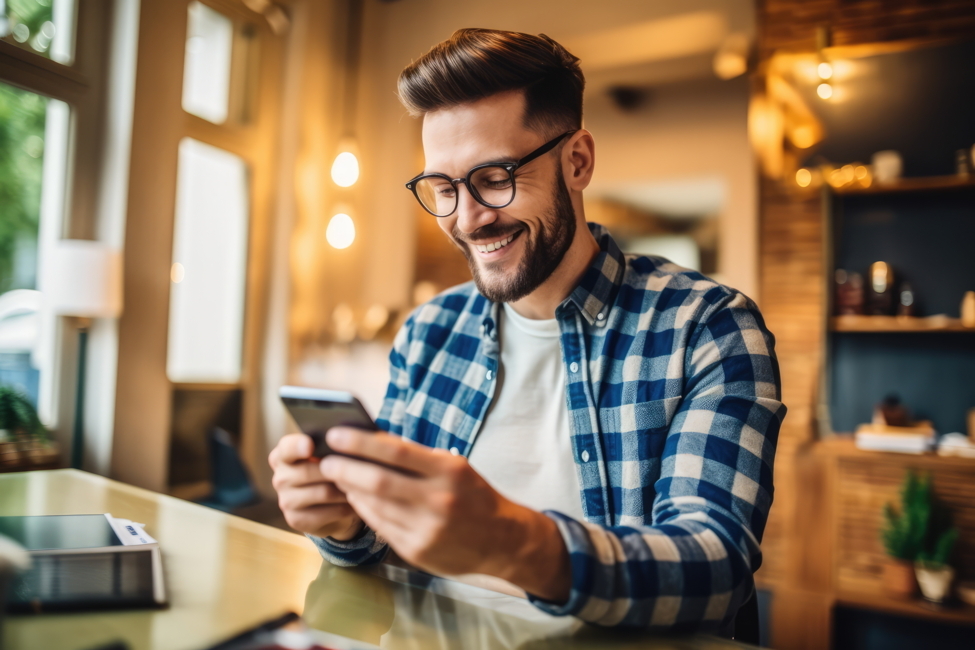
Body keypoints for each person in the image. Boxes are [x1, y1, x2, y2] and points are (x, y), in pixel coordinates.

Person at [269, 28, 785, 633]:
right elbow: (382, 550)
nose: (467, 219)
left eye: (493, 178)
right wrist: (346, 525)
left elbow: (715, 569)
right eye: (442, 187)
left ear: (578, 161)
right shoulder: (429, 332)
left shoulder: (709, 328)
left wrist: (512, 542)